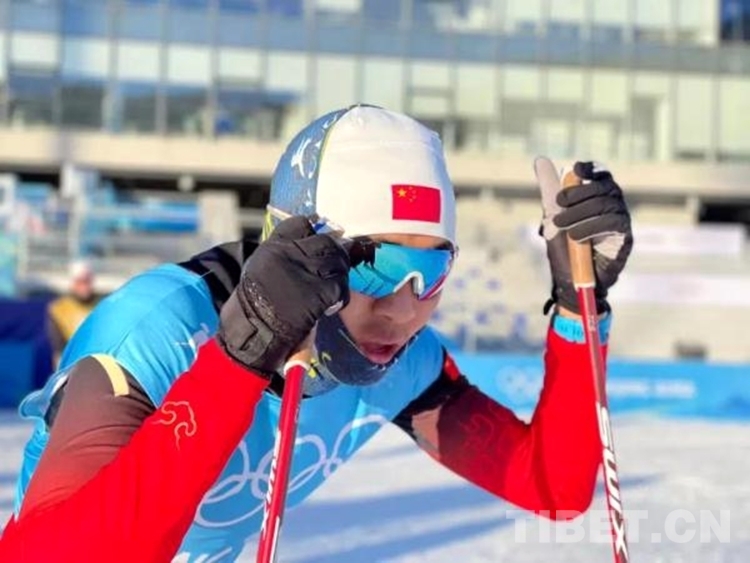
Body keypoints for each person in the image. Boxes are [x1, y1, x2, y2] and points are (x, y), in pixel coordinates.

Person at [0, 105, 633, 563]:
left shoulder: (398, 361)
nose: (404, 308)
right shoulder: (158, 330)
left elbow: (552, 486)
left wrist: (580, 308)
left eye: (433, 270)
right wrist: (240, 360)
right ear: (297, 245)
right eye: (377, 264)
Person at [46, 259, 98, 367]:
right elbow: (58, 345)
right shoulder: (58, 309)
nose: (84, 287)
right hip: (70, 362)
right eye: (80, 282)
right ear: (73, 283)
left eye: (86, 281)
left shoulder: (101, 306)